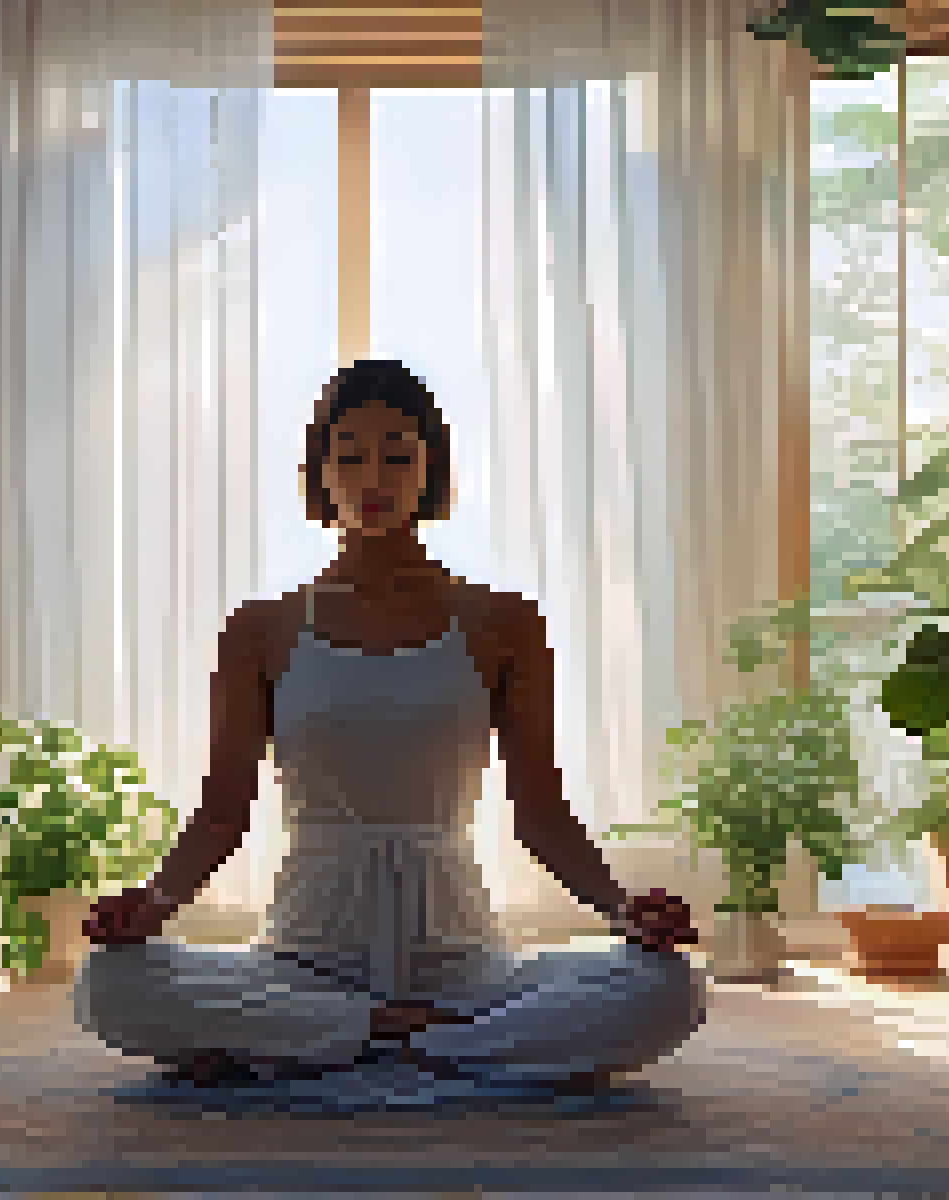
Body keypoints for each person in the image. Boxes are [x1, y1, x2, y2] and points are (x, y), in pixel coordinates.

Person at [75, 359, 706, 1094]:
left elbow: (540, 815)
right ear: (320, 472)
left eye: (398, 455)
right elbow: (222, 815)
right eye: (349, 456)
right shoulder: (262, 629)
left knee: (668, 988)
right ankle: (397, 1036)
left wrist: (625, 911)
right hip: (304, 960)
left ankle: (352, 1042)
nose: (372, 477)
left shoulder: (505, 623)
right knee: (108, 984)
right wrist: (149, 907)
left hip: (463, 965)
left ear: (429, 468)